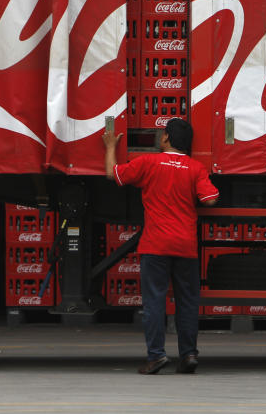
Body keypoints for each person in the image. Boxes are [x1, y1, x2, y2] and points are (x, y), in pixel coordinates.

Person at [102, 118, 219, 375]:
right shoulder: (195, 168)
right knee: (187, 303)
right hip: (185, 246)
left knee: (154, 302)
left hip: (155, 245)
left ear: (166, 138)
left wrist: (110, 146)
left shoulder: (148, 163)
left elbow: (114, 174)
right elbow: (209, 200)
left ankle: (156, 356)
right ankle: (188, 355)